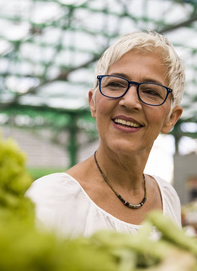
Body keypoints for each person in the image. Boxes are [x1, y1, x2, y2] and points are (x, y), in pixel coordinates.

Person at [26, 30, 185, 238]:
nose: (129, 101)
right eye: (115, 84)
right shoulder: (51, 198)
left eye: (150, 91)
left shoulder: (168, 198)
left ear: (171, 118)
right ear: (93, 102)